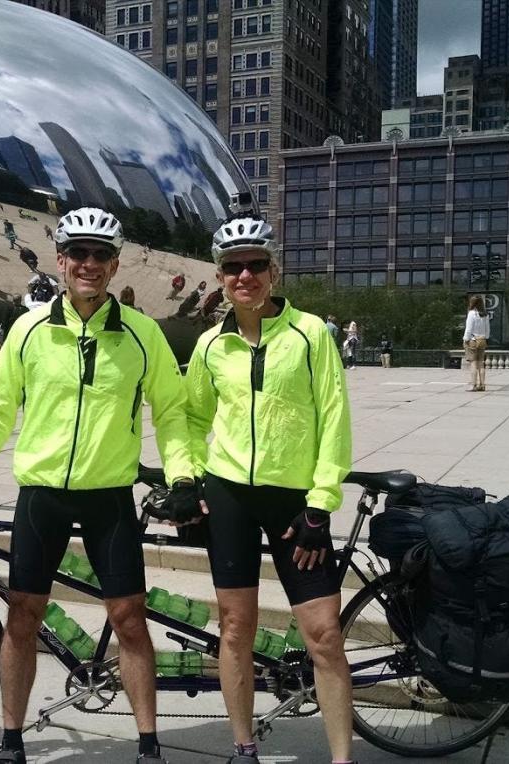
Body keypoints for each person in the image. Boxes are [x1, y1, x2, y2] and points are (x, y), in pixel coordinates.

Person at [0, 207, 197, 764]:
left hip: (109, 496)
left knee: (129, 617)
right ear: (60, 261)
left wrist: (182, 474)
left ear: (114, 264)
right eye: (77, 253)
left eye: (100, 255)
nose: (88, 263)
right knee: (23, 616)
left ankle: (149, 744)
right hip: (43, 496)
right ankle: (11, 739)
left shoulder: (141, 333)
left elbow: (172, 412)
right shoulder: (30, 330)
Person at [185, 217, 354, 764]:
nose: (245, 275)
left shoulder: (310, 336)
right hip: (230, 494)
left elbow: (334, 420)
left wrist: (320, 503)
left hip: (294, 502)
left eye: (256, 264)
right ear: (220, 276)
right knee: (236, 628)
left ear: (274, 270)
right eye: (233, 267)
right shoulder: (211, 345)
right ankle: (243, 746)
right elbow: (190, 418)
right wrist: (191, 478)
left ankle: (341, 758)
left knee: (324, 635)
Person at [464, 295, 490, 391]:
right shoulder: (485, 314)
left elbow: (469, 329)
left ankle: (473, 385)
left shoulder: (471, 314)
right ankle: (482, 385)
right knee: (481, 364)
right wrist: (486, 337)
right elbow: (487, 329)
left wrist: (465, 339)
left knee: (473, 363)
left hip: (473, 340)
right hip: (482, 340)